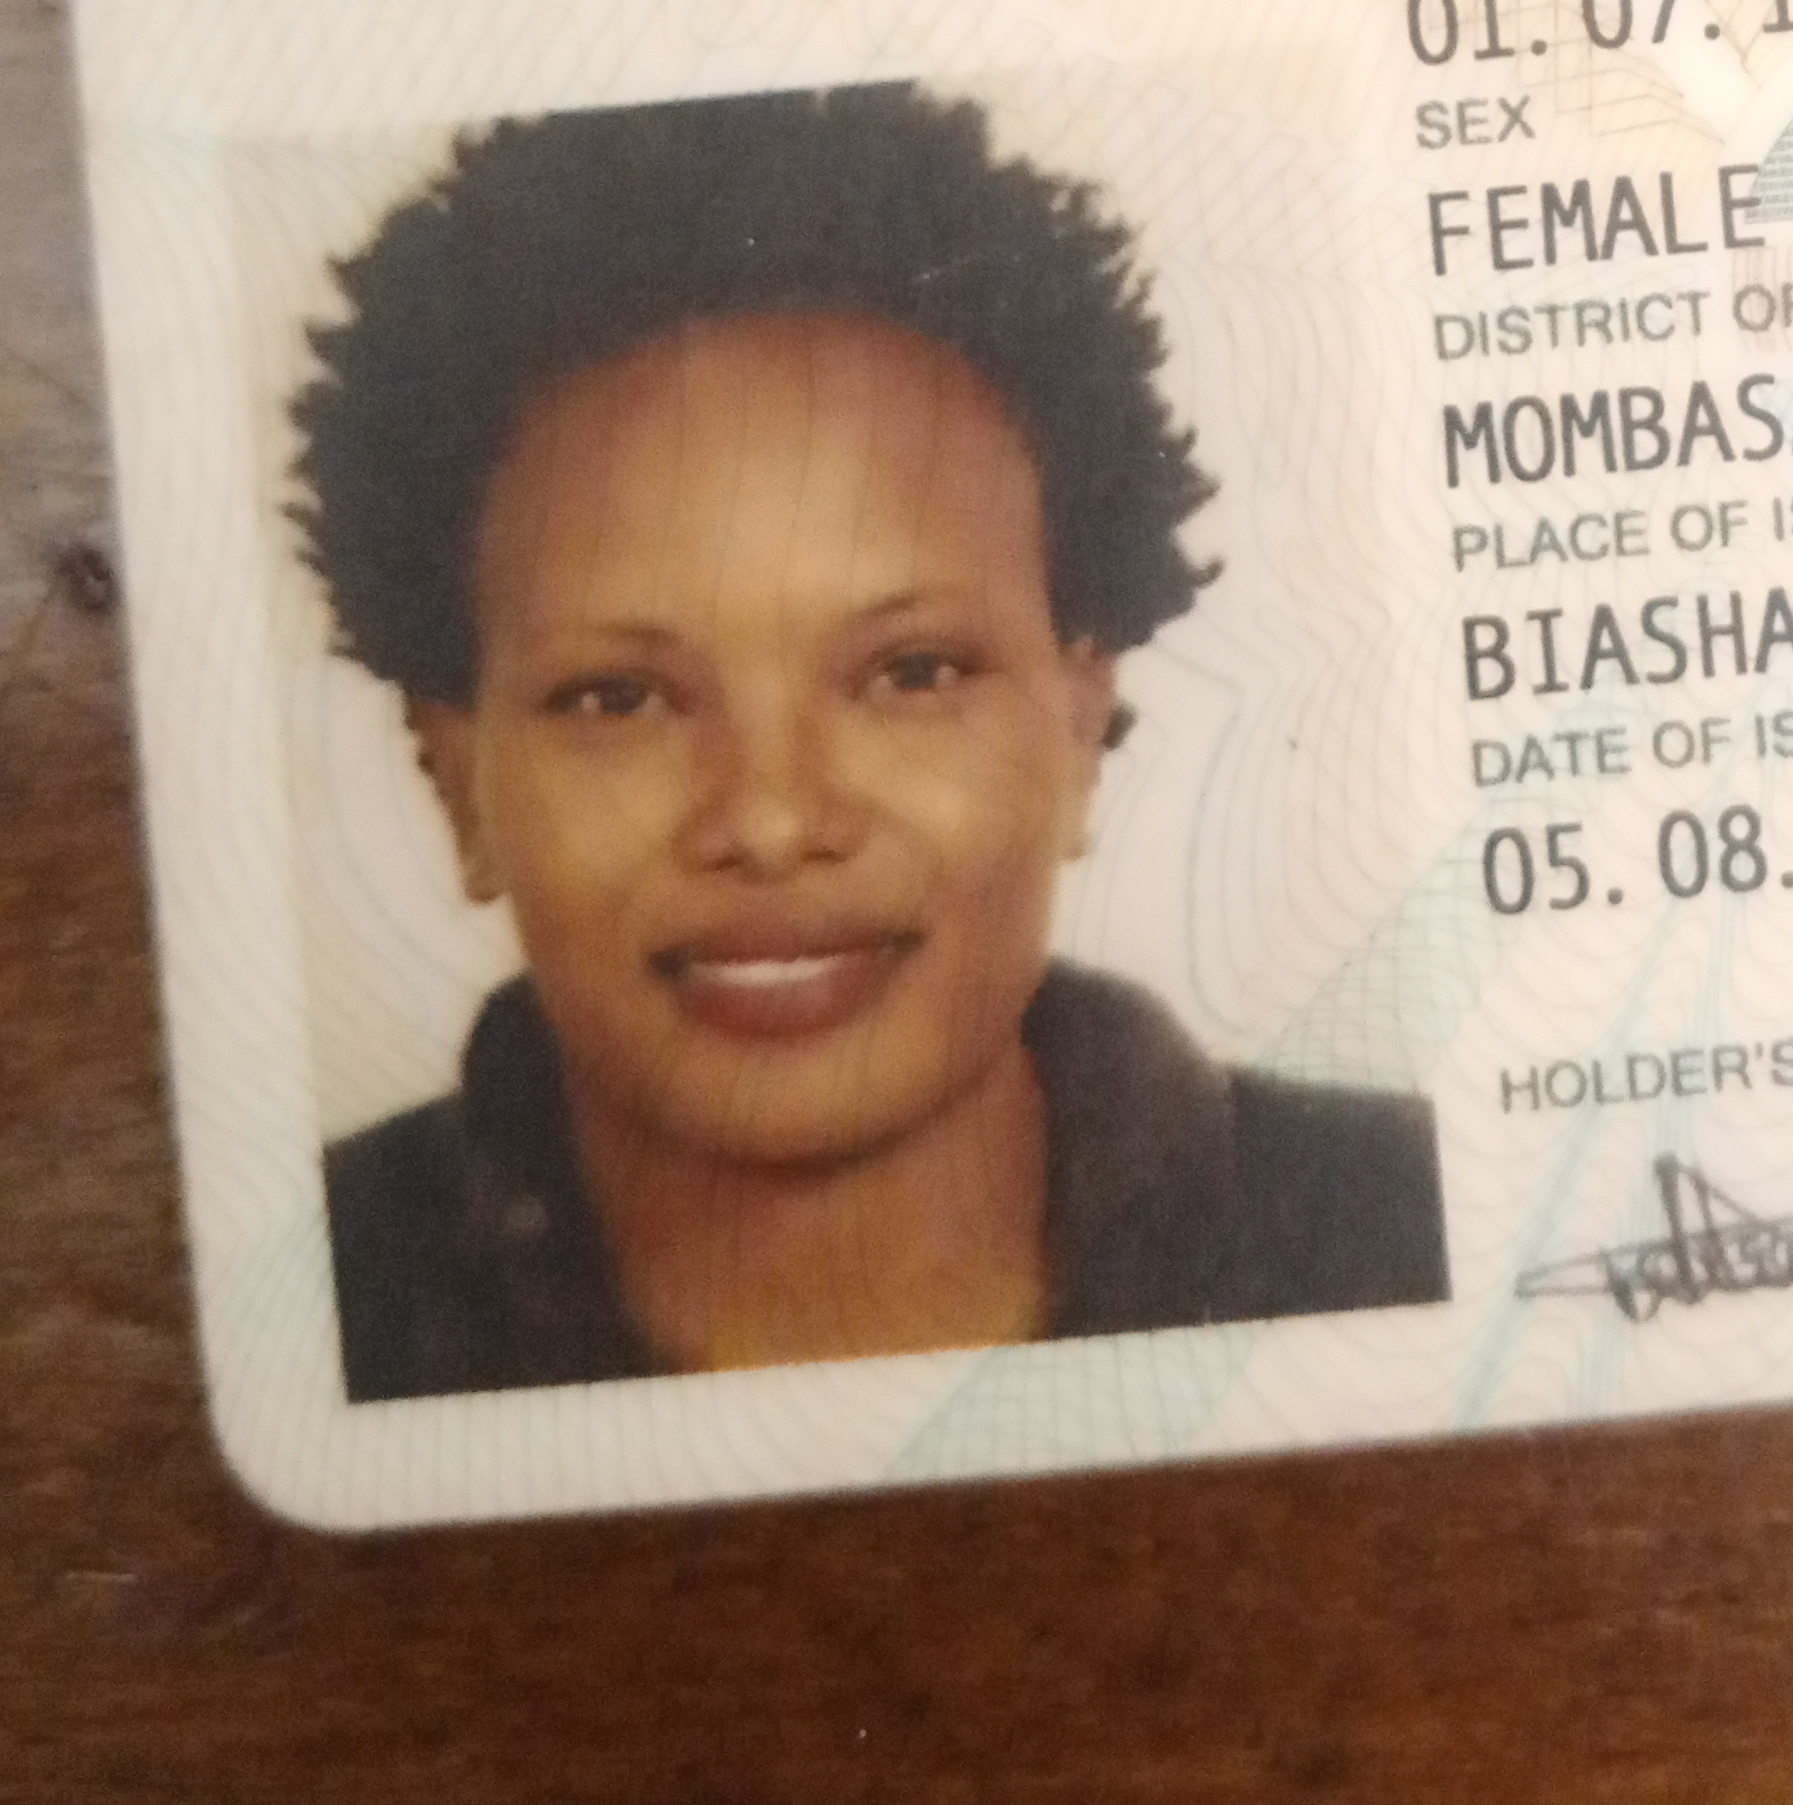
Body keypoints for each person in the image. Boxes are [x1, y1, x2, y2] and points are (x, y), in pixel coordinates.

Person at [296, 85, 1449, 1399]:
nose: (772, 819)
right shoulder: (304, 1309)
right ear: (458, 782)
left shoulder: (1415, 1227)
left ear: (1080, 727)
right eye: (619, 698)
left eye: (910, 673)